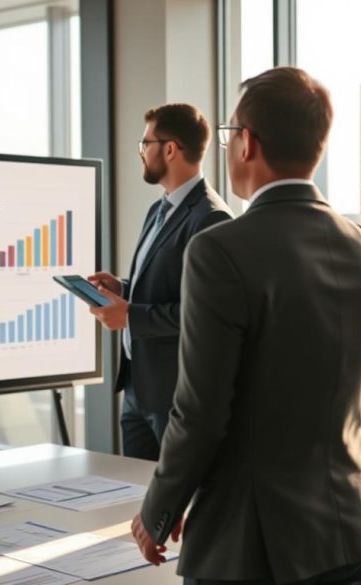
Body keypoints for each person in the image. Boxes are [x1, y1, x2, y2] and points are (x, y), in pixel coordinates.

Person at [131, 66, 361, 585]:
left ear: (246, 142)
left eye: (230, 134)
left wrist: (161, 507)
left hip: (250, 538)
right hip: (347, 524)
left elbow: (200, 410)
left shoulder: (218, 249)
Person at [88, 103, 232, 461]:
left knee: (179, 495)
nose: (141, 152)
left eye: (145, 143)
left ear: (170, 149)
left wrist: (130, 316)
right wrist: (123, 288)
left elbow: (207, 314)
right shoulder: (159, 209)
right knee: (136, 492)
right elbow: (170, 287)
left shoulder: (211, 218)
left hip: (176, 396)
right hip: (137, 388)